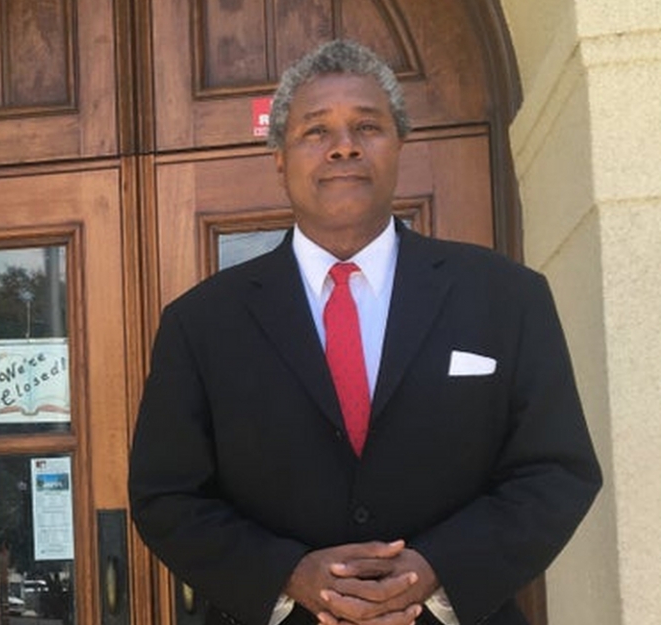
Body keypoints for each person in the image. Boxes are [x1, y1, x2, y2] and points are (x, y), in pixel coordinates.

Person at [127, 40, 601, 625]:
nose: (344, 145)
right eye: (315, 131)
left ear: (400, 145)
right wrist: (289, 576)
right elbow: (165, 496)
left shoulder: (508, 297)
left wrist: (436, 572)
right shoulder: (199, 323)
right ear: (280, 158)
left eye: (367, 126)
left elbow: (558, 469)